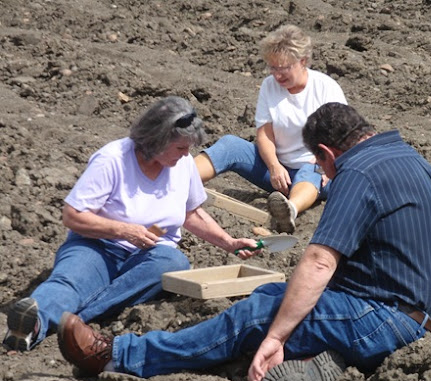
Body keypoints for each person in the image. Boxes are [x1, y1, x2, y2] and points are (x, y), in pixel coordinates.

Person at [57, 103, 431, 381]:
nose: (323, 175)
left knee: (260, 312)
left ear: (328, 153)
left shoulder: (359, 174)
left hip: (383, 319)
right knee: (278, 298)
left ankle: (117, 355)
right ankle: (326, 357)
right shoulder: (413, 161)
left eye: (321, 167)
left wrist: (276, 336)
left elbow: (317, 262)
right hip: (414, 317)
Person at [2, 96, 258, 352]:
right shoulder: (112, 159)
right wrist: (123, 230)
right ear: (159, 139)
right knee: (70, 282)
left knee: (173, 263)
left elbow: (191, 213)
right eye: (181, 148)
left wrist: (230, 243)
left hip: (150, 253)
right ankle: (32, 324)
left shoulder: (184, 165)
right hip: (97, 245)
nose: (186, 155)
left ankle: (78, 320)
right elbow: (73, 215)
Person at [194, 24, 348, 233]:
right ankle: (177, 180)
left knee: (309, 169)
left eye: (283, 68)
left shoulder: (325, 88)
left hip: (318, 171)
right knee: (230, 145)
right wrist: (274, 166)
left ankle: (289, 211)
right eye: (272, 68)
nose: (277, 75)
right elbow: (265, 134)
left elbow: (341, 137)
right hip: (280, 174)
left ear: (302, 61)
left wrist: (327, 165)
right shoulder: (269, 86)